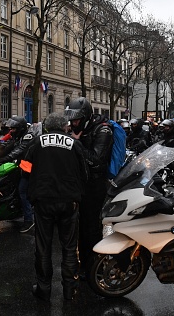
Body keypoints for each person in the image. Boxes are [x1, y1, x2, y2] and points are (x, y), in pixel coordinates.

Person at [21, 112, 88, 301]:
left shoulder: (37, 142)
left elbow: (25, 168)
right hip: (68, 201)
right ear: (64, 126)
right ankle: (69, 290)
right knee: (69, 246)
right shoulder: (74, 144)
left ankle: (43, 289)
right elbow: (85, 172)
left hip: (43, 200)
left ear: (47, 127)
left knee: (44, 246)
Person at [64, 97, 113, 277]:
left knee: (91, 228)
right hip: (80, 184)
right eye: (72, 119)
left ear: (85, 117)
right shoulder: (80, 129)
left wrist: (75, 142)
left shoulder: (103, 131)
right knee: (80, 228)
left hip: (95, 185)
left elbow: (96, 160)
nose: (73, 123)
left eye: (76, 119)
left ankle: (92, 267)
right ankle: (84, 263)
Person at [0, 116, 36, 232]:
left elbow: (16, 152)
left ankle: (28, 220)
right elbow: (7, 148)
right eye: (10, 128)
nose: (11, 131)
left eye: (13, 129)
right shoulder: (16, 137)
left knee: (22, 191)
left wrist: (0, 161)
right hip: (22, 167)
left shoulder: (28, 137)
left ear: (20, 128)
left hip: (32, 169)